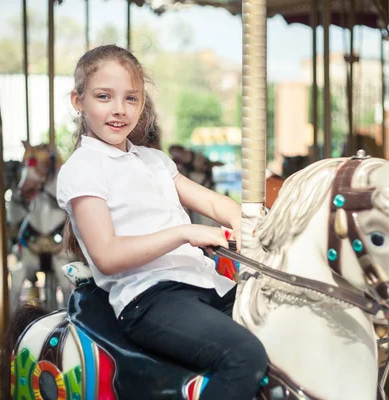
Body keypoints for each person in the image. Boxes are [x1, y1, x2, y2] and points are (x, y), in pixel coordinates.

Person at [56, 44, 268, 400]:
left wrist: (246, 220)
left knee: (285, 330)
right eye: (104, 97)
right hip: (150, 297)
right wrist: (185, 232)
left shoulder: (154, 160)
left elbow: (214, 202)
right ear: (79, 102)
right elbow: (107, 255)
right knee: (244, 355)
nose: (119, 110)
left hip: (205, 284)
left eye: (131, 99)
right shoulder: (83, 168)